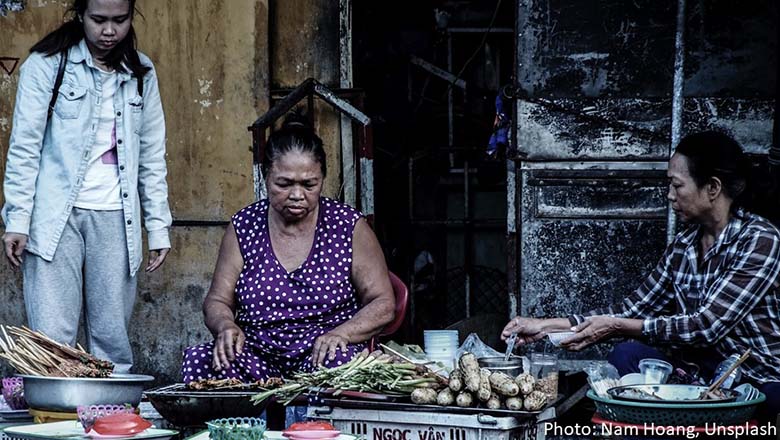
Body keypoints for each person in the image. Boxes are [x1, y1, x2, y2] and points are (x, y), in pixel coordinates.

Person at [502, 131, 780, 422]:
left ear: (712, 188)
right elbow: (630, 310)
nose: (670, 196)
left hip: (755, 378)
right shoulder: (684, 246)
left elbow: (705, 326)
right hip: (700, 378)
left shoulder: (759, 240)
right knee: (626, 354)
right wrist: (545, 327)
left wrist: (616, 325)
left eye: (676, 185)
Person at [1, 0, 172, 373]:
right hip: (53, 219)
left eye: (119, 20)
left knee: (112, 341)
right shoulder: (46, 65)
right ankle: (53, 422)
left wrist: (157, 226)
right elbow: (24, 147)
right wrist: (17, 219)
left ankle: (111, 421)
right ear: (80, 15)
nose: (108, 31)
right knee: (51, 340)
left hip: (116, 216)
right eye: (98, 20)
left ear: (131, 17)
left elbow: (152, 153)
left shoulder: (141, 72)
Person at [181, 114, 395, 382]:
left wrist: (342, 334)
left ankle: (313, 425)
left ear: (322, 179)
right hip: (256, 355)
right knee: (201, 361)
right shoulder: (244, 225)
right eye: (284, 184)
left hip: (323, 355)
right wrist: (225, 326)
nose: (296, 195)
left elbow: (384, 303)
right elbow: (218, 300)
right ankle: (241, 426)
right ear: (266, 177)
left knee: (340, 366)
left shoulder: (348, 226)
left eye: (309, 184)